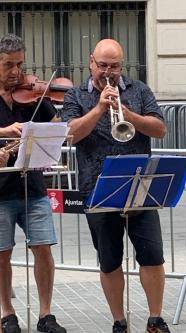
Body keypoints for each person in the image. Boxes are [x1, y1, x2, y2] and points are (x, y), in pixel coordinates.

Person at [61, 38, 171, 333]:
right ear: (91, 62)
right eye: (103, 66)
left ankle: (155, 319)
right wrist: (99, 108)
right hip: (98, 189)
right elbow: (69, 135)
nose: (109, 72)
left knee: (152, 255)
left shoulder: (139, 90)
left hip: (140, 187)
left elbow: (159, 129)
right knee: (109, 260)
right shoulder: (74, 96)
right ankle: (119, 321)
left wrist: (128, 113)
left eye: (115, 66)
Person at [0, 34, 67, 333]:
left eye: (20, 65)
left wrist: (45, 98)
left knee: (43, 249)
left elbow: (57, 129)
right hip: (0, 193)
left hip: (33, 187)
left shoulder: (32, 97)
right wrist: (4, 130)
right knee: (2, 253)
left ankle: (45, 314)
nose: (16, 72)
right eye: (8, 65)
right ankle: (7, 313)